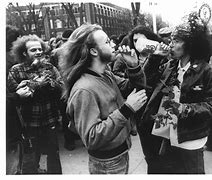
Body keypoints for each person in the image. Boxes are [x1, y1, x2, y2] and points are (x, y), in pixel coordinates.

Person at [58, 23, 147, 174]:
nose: (113, 44)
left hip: (119, 154)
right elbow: (91, 138)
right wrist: (127, 109)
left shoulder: (105, 73)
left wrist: (133, 66)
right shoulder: (84, 90)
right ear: (93, 51)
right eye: (107, 42)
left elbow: (134, 89)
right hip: (108, 164)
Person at [137, 12, 212, 174]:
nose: (171, 45)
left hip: (189, 139)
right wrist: (155, 58)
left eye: (176, 41)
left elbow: (210, 106)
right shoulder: (169, 65)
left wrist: (182, 109)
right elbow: (145, 84)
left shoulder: (206, 71)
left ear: (190, 45)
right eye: (171, 40)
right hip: (164, 134)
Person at [7, 34, 63, 174]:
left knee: (53, 155)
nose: (38, 52)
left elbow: (62, 88)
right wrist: (34, 85)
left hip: (50, 119)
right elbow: (15, 96)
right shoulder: (16, 70)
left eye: (40, 49)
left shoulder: (50, 67)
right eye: (33, 50)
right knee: (31, 159)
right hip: (29, 123)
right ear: (24, 53)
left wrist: (50, 83)